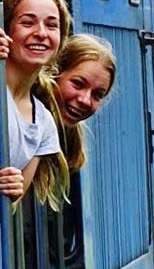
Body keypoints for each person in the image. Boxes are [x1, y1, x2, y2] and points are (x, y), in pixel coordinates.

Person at [0, 0, 72, 251]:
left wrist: (12, 192)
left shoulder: (44, 124)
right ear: (6, 31)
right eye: (28, 22)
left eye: (52, 26)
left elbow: (1, 213)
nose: (41, 33)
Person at [37, 33, 117, 171]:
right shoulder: (28, 123)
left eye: (97, 95)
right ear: (53, 73)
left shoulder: (68, 148)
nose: (85, 100)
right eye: (78, 84)